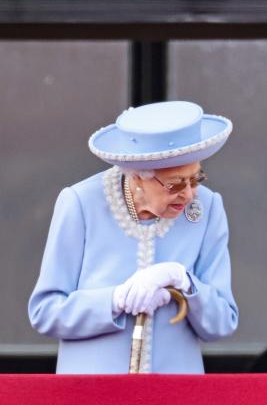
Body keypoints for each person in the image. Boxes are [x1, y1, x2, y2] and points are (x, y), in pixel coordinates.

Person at [29, 100, 239, 374]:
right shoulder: (81, 203)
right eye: (176, 184)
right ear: (137, 177)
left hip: (175, 398)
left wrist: (184, 282)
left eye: (196, 179)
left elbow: (223, 322)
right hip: (92, 396)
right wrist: (115, 300)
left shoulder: (208, 208)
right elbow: (45, 312)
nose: (188, 195)